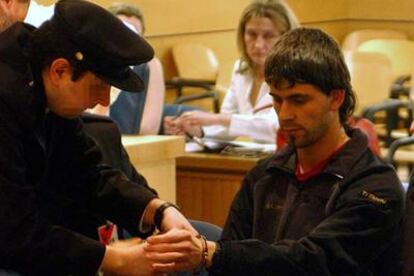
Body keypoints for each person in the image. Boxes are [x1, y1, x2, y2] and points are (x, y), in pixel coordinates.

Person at [144, 27, 405, 275]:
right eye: (277, 100)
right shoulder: (264, 175)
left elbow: (314, 261)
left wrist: (212, 253)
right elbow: (230, 262)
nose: (285, 114)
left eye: (298, 100)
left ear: (335, 98)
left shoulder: (376, 186)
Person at [0, 0, 195, 274]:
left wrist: (158, 210)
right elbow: (13, 231)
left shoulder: (44, 82)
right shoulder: (6, 95)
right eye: (99, 86)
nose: (103, 100)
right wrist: (114, 259)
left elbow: (86, 171)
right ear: (60, 71)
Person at [164, 0, 299, 143]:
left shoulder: (295, 72)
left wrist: (217, 118)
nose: (258, 44)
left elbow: (276, 126)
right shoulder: (241, 69)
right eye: (252, 34)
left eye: (268, 36)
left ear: (286, 37)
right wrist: (197, 130)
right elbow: (229, 125)